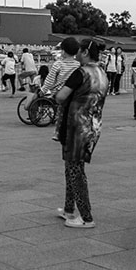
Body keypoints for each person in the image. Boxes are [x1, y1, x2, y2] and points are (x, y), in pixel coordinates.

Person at [55, 39, 109, 228]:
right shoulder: (102, 73)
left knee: (76, 171)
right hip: (93, 126)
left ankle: (86, 217)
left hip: (76, 127)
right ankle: (68, 209)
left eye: (79, 50)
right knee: (72, 167)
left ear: (85, 52)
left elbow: (61, 97)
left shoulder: (80, 73)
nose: (76, 53)